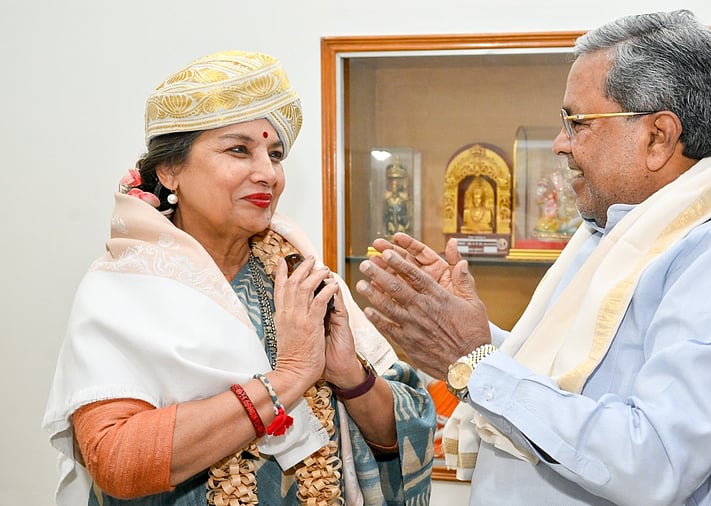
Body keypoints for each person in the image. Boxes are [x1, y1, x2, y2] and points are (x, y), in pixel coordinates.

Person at [355, 10, 711, 505]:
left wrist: (474, 360)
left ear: (659, 137)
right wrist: (468, 331)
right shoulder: (620, 227)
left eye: (577, 122)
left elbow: (652, 462)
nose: (561, 144)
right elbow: (578, 373)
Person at [42, 50, 435, 506]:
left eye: (274, 154)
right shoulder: (124, 288)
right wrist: (288, 379)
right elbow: (118, 461)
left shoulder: (300, 277)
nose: (267, 173)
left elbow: (405, 433)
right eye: (238, 149)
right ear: (170, 170)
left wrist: (349, 375)